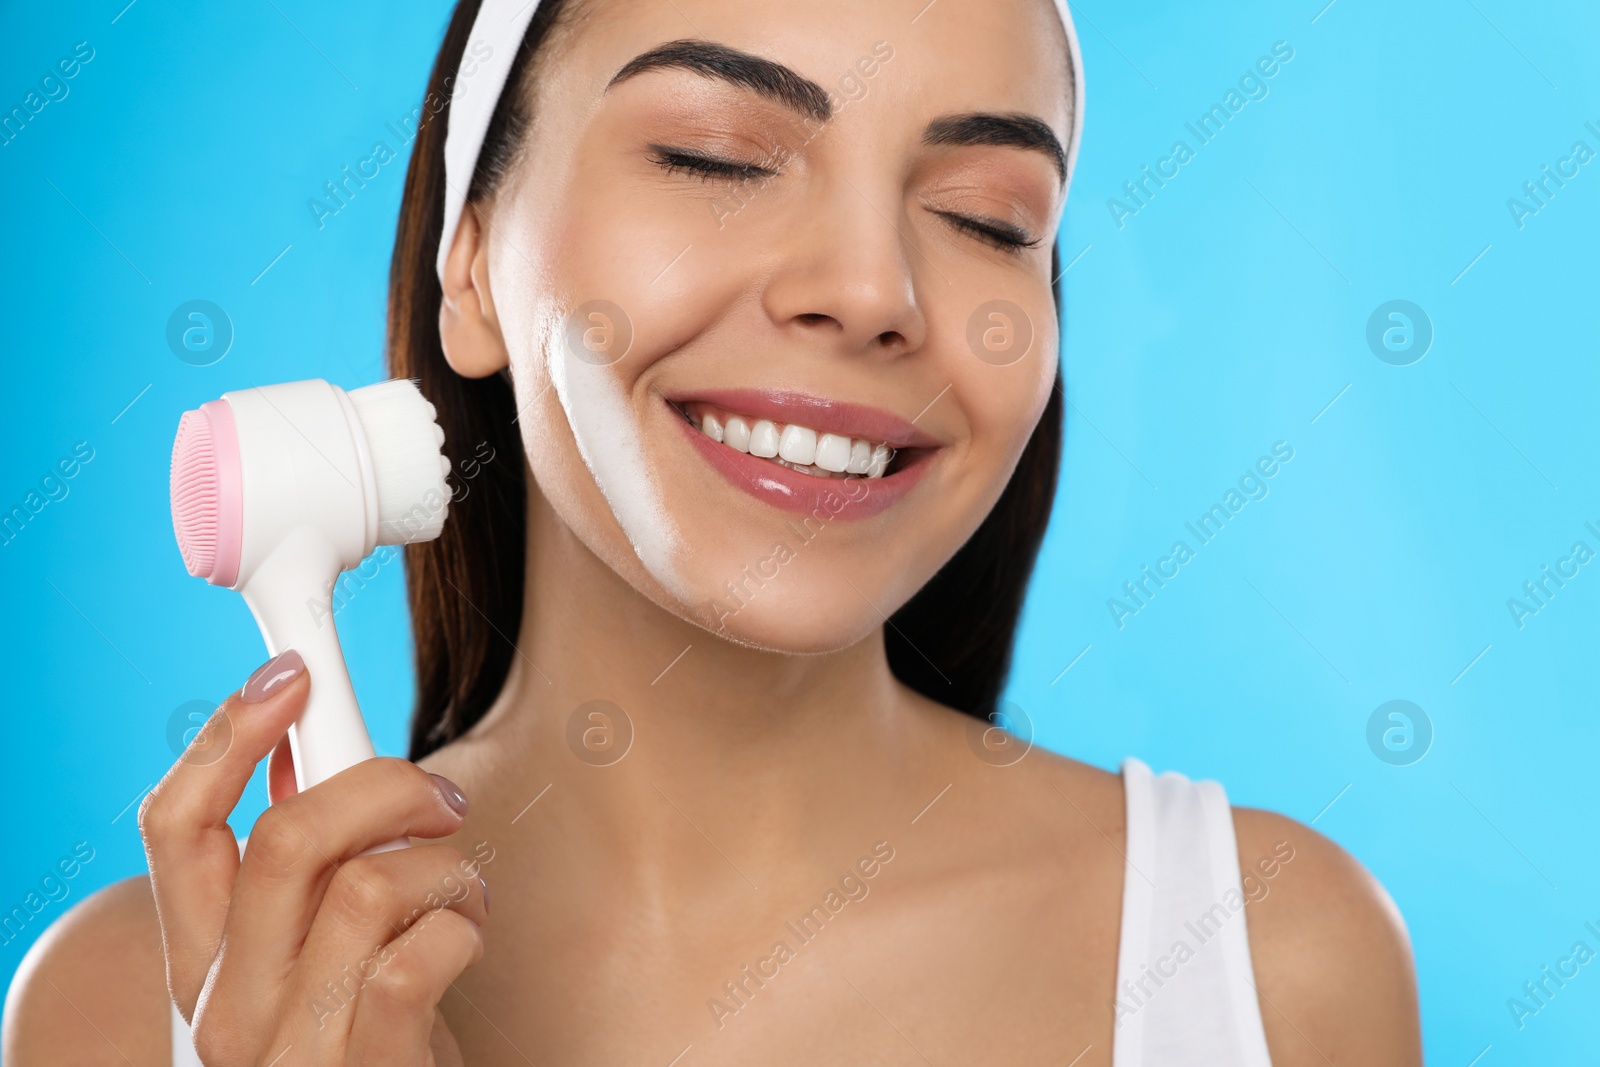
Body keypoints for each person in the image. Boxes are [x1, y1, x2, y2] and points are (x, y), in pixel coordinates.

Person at [3, 0, 1423, 1062]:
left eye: (990, 218)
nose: (873, 289)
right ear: (473, 261)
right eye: (714, 154)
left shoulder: (1273, 960)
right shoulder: (129, 1012)